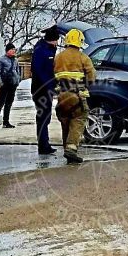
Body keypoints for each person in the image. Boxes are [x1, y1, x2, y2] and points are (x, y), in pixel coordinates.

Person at [54, 28, 96, 164]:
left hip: (62, 97)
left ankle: (67, 148)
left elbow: (53, 76)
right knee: (78, 120)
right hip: (77, 97)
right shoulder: (83, 58)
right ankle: (71, 150)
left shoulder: (58, 57)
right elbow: (91, 78)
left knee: (65, 122)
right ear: (80, 42)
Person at [31, 24, 60, 155]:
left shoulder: (48, 48)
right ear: (52, 39)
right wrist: (49, 84)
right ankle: (43, 145)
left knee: (45, 117)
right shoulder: (40, 50)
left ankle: (44, 143)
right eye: (56, 40)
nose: (57, 43)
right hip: (41, 89)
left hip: (46, 88)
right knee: (43, 117)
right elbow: (38, 70)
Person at [0, 42, 21, 129]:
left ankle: (6, 122)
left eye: (14, 49)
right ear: (7, 51)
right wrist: (0, 83)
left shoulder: (15, 60)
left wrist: (18, 80)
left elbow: (17, 71)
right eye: (12, 49)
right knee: (0, 103)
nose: (13, 51)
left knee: (9, 104)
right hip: (4, 84)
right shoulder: (0, 60)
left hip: (13, 84)